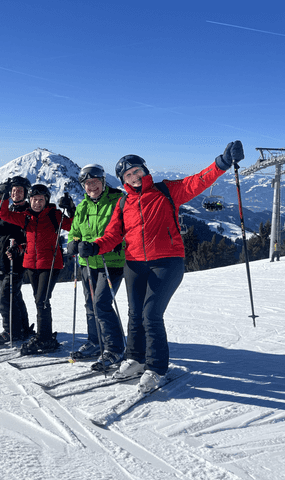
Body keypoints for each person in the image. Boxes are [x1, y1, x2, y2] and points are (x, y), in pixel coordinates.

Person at [78, 141, 245, 392]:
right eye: (128, 175)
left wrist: (222, 163)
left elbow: (198, 181)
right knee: (135, 314)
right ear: (123, 180)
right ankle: (135, 358)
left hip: (167, 262)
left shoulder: (166, 190)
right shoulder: (123, 203)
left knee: (151, 315)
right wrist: (94, 246)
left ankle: (156, 368)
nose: (134, 177)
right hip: (134, 264)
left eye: (136, 171)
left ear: (144, 170)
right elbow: (112, 235)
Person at [0, 183, 74, 355]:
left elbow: (73, 225)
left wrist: (71, 208)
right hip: (31, 265)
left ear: (46, 201)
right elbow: (4, 214)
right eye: (34, 199)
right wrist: (3, 197)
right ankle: (44, 336)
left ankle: (44, 338)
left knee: (42, 301)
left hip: (51, 264)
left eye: (41, 200)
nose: (37, 203)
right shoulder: (26, 217)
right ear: (29, 200)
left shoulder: (54, 215)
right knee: (39, 301)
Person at [68, 164, 126, 370]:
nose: (91, 186)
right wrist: (73, 242)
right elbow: (75, 231)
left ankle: (115, 348)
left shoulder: (118, 201)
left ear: (103, 182)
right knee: (90, 305)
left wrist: (109, 244)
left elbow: (125, 229)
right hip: (87, 263)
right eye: (87, 183)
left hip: (111, 262)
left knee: (101, 304)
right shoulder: (83, 206)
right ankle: (95, 341)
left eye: (95, 182)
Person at [0, 176, 33, 347]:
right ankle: (22, 328)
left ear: (26, 193)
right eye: (13, 190)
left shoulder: (27, 213)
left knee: (5, 300)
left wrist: (19, 249)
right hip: (2, 263)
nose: (16, 193)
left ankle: (11, 331)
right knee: (15, 297)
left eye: (20, 190)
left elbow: (28, 238)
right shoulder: (7, 211)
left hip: (15, 263)